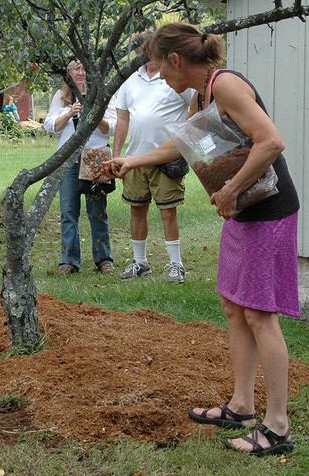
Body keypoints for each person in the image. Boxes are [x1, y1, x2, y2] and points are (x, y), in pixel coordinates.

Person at [104, 23, 299, 456]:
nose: (158, 76)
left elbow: (272, 142)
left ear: (175, 60)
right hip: (242, 211)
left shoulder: (226, 85)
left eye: (158, 66)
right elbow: (186, 143)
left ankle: (278, 427)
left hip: (266, 211)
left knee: (260, 316)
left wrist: (229, 190)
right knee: (235, 307)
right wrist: (132, 160)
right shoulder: (202, 94)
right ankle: (242, 407)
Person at [114, 34, 194, 283]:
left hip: (166, 157)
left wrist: (185, 142)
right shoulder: (130, 81)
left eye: (151, 50)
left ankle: (176, 265)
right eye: (141, 50)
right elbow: (123, 118)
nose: (147, 56)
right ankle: (140, 262)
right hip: (134, 158)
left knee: (168, 212)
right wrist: (117, 155)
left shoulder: (173, 76)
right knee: (137, 209)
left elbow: (196, 109)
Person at [44, 59, 116, 274]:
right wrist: (69, 113)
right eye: (77, 68)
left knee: (97, 211)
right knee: (68, 212)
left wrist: (93, 113)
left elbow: (112, 127)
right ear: (69, 74)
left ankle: (104, 260)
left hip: (95, 160)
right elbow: (50, 126)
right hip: (68, 161)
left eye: (84, 68)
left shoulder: (102, 95)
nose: (81, 72)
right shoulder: (61, 96)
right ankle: (69, 261)